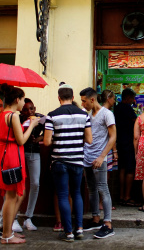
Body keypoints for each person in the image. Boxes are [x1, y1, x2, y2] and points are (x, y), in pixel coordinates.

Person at [44, 84, 92, 242]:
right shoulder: (84, 115)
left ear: (58, 98)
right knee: (77, 193)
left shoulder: (52, 116)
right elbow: (89, 139)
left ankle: (68, 232)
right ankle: (79, 229)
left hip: (59, 161)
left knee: (63, 195)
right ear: (72, 98)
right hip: (77, 160)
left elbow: (46, 142)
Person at [0, 83, 39, 244]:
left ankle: (7, 231)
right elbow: (21, 140)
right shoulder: (13, 115)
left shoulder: (2, 114)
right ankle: (6, 235)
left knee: (13, 195)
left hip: (5, 153)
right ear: (17, 99)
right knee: (11, 196)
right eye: (23, 99)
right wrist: (32, 125)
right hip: (12, 155)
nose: (24, 103)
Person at [80, 87, 116, 239]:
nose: (83, 104)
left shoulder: (107, 114)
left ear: (92, 100)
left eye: (84, 101)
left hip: (99, 159)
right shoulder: (88, 115)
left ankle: (107, 224)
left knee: (103, 189)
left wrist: (102, 156)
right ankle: (96, 219)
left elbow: (113, 137)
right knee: (92, 189)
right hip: (87, 158)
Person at [16, 98, 45, 231]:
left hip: (35, 153)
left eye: (31, 108)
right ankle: (14, 217)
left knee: (35, 183)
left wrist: (39, 138)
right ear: (21, 111)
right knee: (18, 184)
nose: (29, 111)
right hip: (20, 153)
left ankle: (29, 216)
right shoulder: (18, 119)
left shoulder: (40, 119)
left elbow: (50, 131)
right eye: (26, 109)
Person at [114, 88, 138, 206]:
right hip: (128, 142)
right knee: (130, 169)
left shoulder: (117, 108)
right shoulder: (127, 108)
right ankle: (127, 197)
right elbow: (136, 121)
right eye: (133, 98)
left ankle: (121, 196)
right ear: (128, 98)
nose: (133, 100)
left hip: (119, 141)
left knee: (122, 169)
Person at [100, 90, 118, 210]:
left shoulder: (97, 112)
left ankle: (101, 203)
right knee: (105, 177)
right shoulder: (108, 113)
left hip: (100, 148)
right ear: (108, 98)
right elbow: (112, 135)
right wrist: (115, 150)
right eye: (113, 98)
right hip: (106, 149)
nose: (114, 100)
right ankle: (103, 203)